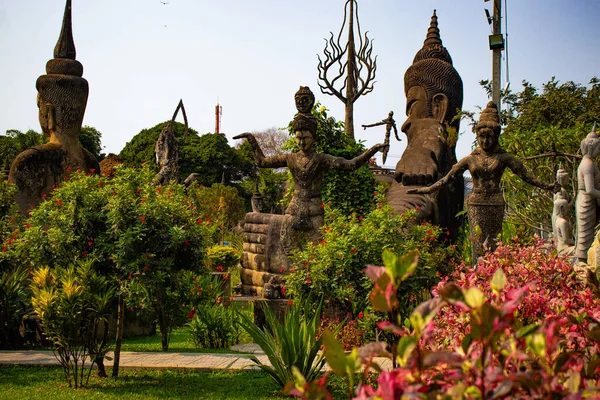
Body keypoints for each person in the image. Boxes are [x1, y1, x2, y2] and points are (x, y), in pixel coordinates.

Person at [234, 86, 385, 244]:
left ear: (313, 137)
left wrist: (372, 150)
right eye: (298, 138)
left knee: (315, 251)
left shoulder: (322, 159)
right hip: (293, 209)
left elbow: (350, 165)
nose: (301, 142)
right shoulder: (290, 158)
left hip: (314, 211)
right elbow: (262, 162)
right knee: (287, 247)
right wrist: (251, 139)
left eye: (305, 137)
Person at [408, 102, 554, 261]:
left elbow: (526, 176)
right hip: (476, 203)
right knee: (478, 244)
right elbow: (447, 179)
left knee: (494, 245)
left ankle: (491, 275)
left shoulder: (504, 158)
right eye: (481, 137)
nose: (485, 141)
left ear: (496, 136)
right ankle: (477, 275)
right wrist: (426, 189)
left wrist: (548, 186)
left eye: (489, 137)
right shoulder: (470, 159)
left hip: (495, 203)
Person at [575, 123, 600, 261]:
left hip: (587, 200)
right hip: (586, 200)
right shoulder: (588, 165)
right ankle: (582, 260)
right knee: (585, 234)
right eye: (598, 148)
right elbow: (590, 190)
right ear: (591, 147)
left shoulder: (588, 163)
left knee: (589, 232)